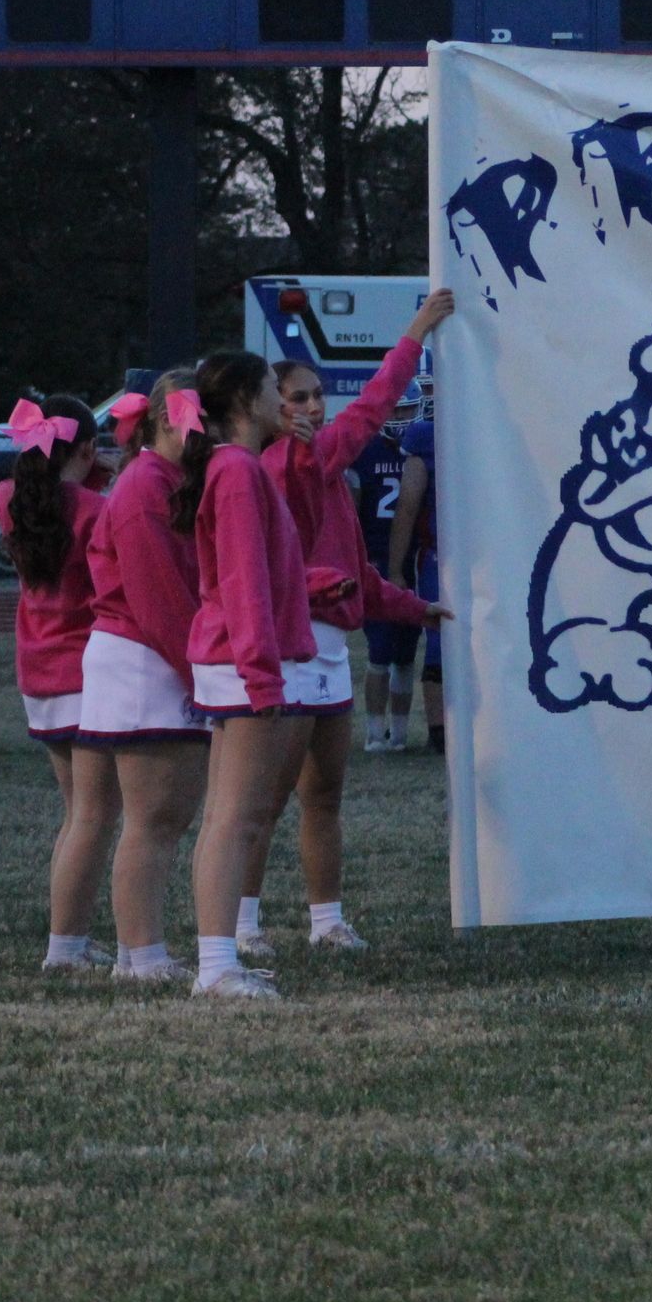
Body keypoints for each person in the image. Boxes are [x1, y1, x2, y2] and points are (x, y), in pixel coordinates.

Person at [250, 291, 455, 955]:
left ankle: (325, 920)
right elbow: (371, 407)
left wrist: (413, 606)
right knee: (264, 800)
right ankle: (242, 925)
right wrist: (417, 331)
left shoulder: (326, 470)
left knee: (324, 793)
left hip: (330, 648)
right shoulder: (288, 462)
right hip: (291, 648)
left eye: (316, 395)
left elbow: (353, 570)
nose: (313, 406)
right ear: (266, 408)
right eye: (297, 397)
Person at [175, 352, 318, 1000]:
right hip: (241, 660)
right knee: (235, 816)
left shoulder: (236, 467)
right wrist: (264, 675)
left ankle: (218, 957)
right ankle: (215, 966)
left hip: (235, 658)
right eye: (270, 391)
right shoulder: (236, 470)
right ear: (242, 399)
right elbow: (242, 579)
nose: (281, 402)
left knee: (228, 816)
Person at [82, 375, 211, 985]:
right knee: (152, 818)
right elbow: (158, 596)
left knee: (160, 819)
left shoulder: (161, 480)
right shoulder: (143, 487)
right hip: (144, 657)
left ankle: (140, 953)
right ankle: (142, 957)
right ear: (167, 419)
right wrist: (200, 672)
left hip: (149, 655)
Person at [0, 395, 120, 975]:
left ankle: (69, 939)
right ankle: (64, 947)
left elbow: (50, 491)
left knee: (77, 814)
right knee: (94, 817)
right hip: (85, 668)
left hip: (37, 669)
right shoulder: (96, 508)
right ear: (89, 450)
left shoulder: (7, 498)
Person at [352, 379, 425, 755]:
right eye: (393, 410)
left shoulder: (425, 449)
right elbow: (352, 510)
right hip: (376, 560)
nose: (399, 419)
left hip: (413, 559)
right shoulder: (363, 452)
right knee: (378, 651)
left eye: (406, 410)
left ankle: (398, 734)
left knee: (405, 654)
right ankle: (373, 732)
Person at [387, 384, 446, 755]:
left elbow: (407, 507)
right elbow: (408, 507)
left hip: (466, 556)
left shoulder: (427, 435)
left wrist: (396, 568)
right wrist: (395, 570)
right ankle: (442, 732)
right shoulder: (425, 437)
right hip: (449, 556)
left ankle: (449, 731)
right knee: (443, 640)